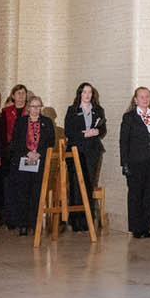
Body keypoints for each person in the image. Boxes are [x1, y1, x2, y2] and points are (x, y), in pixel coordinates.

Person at [120, 86, 150, 238]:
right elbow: (123, 142)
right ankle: (136, 229)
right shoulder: (129, 117)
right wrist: (125, 164)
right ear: (135, 99)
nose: (145, 99)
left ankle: (147, 228)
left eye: (147, 96)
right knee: (135, 195)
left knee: (149, 195)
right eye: (142, 97)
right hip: (135, 163)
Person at [4, 94, 55, 234]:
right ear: (28, 108)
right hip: (23, 161)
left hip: (40, 162)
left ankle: (33, 224)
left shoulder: (47, 122)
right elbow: (15, 142)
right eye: (33, 106)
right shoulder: (21, 122)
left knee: (36, 193)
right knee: (23, 193)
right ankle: (22, 224)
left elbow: (51, 142)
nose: (36, 109)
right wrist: (28, 153)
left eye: (38, 106)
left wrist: (39, 153)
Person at [65, 82, 107, 232]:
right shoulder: (72, 110)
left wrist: (96, 132)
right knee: (76, 184)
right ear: (79, 94)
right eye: (84, 92)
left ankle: (87, 220)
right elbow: (68, 131)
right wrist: (84, 134)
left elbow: (102, 128)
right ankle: (76, 220)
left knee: (89, 183)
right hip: (76, 151)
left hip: (92, 151)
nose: (87, 95)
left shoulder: (98, 110)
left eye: (90, 92)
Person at [0, 84, 28, 230]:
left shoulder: (30, 111)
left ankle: (24, 218)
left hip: (26, 152)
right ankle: (11, 219)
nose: (21, 96)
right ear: (13, 96)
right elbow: (1, 134)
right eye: (18, 93)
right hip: (9, 153)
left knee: (24, 185)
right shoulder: (6, 111)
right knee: (9, 186)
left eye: (23, 93)